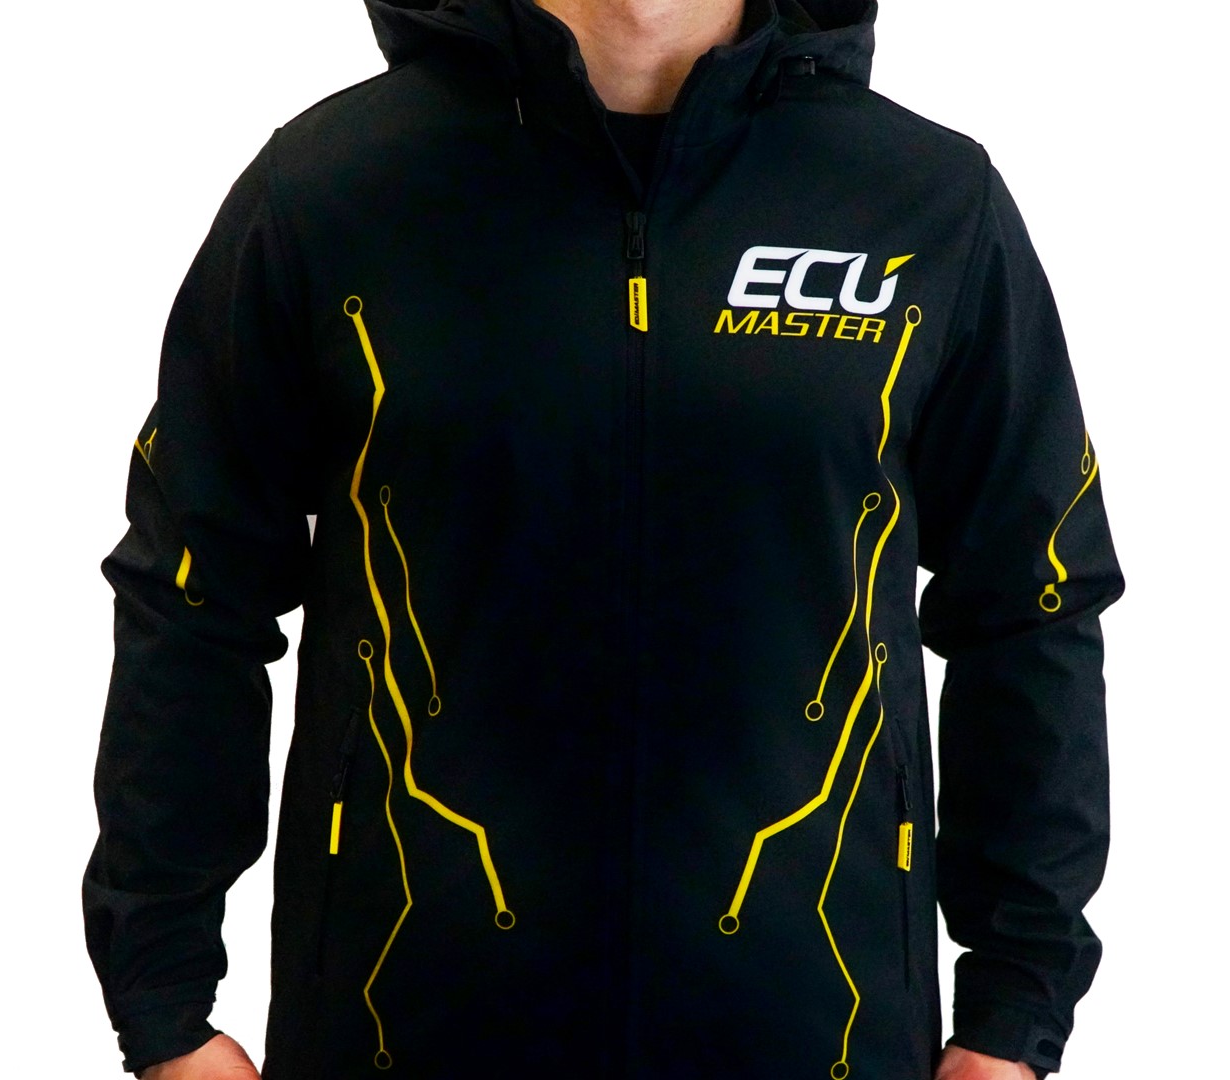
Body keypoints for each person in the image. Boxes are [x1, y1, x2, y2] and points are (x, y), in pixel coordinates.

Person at [83, 1, 1123, 1077]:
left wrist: (1014, 1012)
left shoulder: (924, 201)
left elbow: (1031, 599)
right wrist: (164, 1004)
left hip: (820, 1030)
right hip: (407, 1027)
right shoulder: (331, 191)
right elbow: (193, 590)